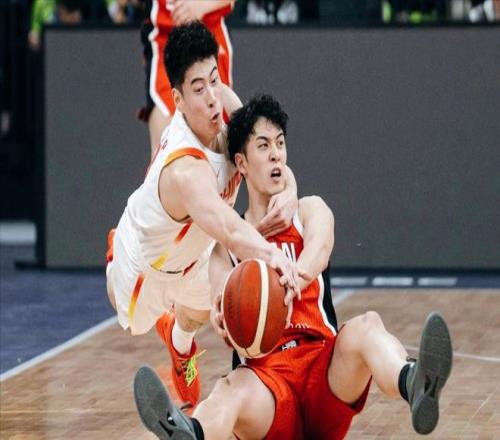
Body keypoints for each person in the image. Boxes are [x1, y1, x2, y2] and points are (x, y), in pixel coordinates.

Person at [133, 95, 453, 439]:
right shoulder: (225, 249)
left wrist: (293, 277)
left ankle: (415, 382)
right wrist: (221, 315)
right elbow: (220, 295)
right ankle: (191, 433)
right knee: (231, 386)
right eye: (263, 145)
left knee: (365, 326)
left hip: (323, 374)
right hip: (268, 389)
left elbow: (320, 248)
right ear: (241, 163)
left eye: (280, 143)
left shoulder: (310, 209)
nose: (276, 154)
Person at [106, 24, 300, 409]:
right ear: (178, 100)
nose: (212, 97)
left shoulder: (224, 104)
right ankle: (116, 250)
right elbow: (228, 227)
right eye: (198, 89)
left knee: (203, 310)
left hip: (196, 251)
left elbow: (268, 152)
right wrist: (273, 255)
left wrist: (290, 191)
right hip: (148, 264)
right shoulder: (185, 171)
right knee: (130, 319)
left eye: (214, 80)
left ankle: (180, 345)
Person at [138, 0, 236, 158]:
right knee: (168, 141)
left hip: (211, 32)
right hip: (165, 35)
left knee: (219, 143)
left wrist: (202, 4)